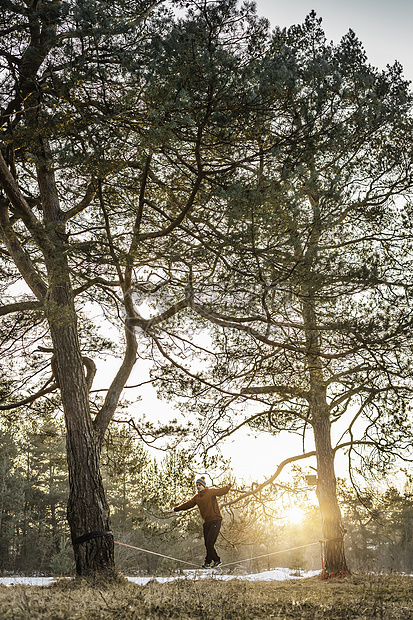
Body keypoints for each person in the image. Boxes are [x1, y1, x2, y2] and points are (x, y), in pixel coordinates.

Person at [169, 476, 231, 569]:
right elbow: (188, 504)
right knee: (207, 543)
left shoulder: (210, 492)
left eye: (200, 485)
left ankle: (217, 560)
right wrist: (175, 509)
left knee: (210, 542)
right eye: (197, 485)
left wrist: (227, 487)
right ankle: (208, 562)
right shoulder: (197, 497)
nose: (198, 487)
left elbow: (220, 491)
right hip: (207, 522)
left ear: (203, 485)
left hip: (216, 520)